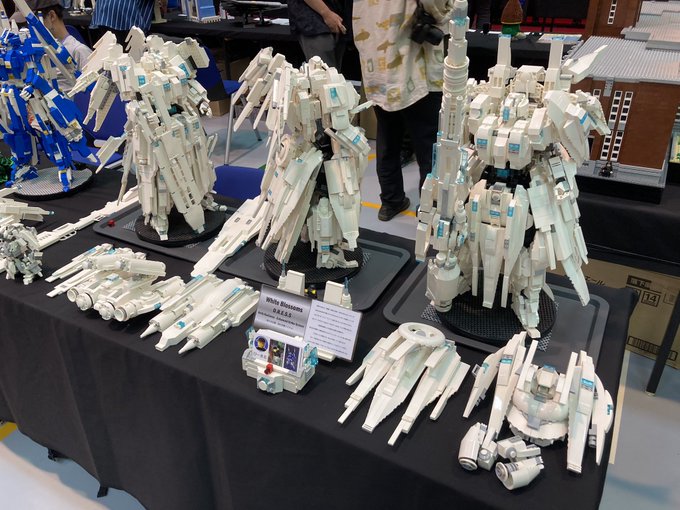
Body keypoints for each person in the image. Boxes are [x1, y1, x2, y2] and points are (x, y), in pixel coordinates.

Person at [353, 0, 453, 221]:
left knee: (387, 140)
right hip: (414, 69)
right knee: (428, 146)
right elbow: (437, 7)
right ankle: (428, 210)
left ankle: (391, 201)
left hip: (377, 70)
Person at [10, 0, 92, 92]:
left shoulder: (79, 51)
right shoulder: (37, 51)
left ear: (52, 16)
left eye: (29, 23)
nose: (26, 29)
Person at [287, 0, 351, 69]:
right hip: (313, 21)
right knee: (321, 71)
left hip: (338, 15)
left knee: (334, 71)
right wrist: (327, 14)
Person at [91, 0, 167, 45]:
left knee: (110, 54)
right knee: (131, 57)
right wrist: (164, 6)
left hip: (102, 12)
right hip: (124, 14)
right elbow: (163, 3)